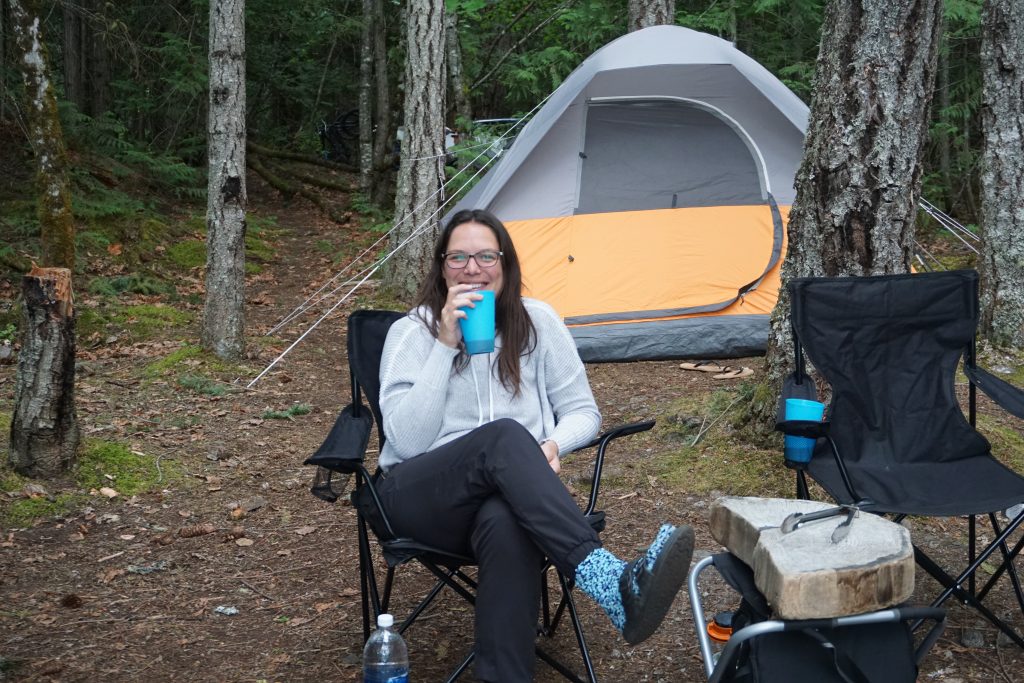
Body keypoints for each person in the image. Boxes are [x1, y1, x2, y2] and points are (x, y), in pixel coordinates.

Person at [373, 208, 695, 682]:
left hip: (505, 499)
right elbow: (406, 439)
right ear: (442, 267)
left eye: (485, 255)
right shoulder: (412, 333)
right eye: (458, 256)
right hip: (419, 497)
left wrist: (550, 446)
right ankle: (608, 580)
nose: (472, 268)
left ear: (504, 264)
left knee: (507, 519)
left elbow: (584, 413)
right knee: (504, 436)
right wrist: (445, 343)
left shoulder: (538, 322)